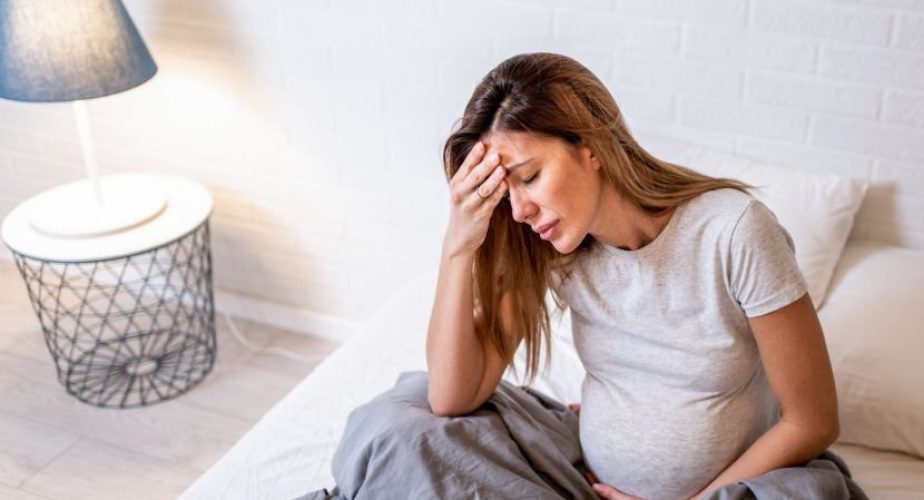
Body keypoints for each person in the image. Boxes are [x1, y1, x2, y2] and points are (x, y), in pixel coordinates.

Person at [313, 52, 865, 500]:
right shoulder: (552, 248)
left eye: (529, 176)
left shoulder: (733, 231)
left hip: (726, 493)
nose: (521, 210)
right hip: (580, 481)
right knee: (401, 425)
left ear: (591, 143)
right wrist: (458, 245)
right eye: (506, 193)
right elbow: (452, 397)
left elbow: (811, 421)